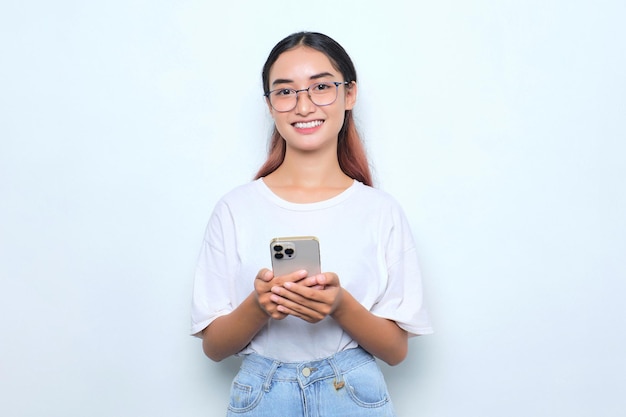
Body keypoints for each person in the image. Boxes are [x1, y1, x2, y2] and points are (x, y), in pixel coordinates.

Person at [191, 31, 433, 417]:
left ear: (349, 94)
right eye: (285, 92)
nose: (303, 106)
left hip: (353, 394)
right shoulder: (235, 208)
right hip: (262, 394)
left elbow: (396, 351)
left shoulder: (380, 211)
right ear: (270, 105)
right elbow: (214, 348)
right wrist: (259, 305)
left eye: (321, 87)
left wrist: (339, 305)